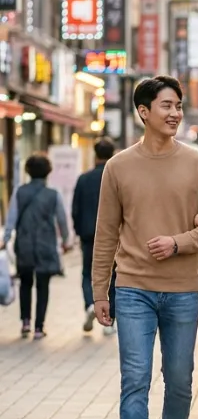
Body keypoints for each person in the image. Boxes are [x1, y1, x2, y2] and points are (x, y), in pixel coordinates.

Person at [91, 75, 198, 419]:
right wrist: (100, 291)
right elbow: (105, 233)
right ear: (143, 112)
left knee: (181, 379)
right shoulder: (118, 167)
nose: (175, 113)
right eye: (166, 105)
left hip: (184, 289)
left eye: (179, 105)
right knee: (135, 379)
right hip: (132, 288)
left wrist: (179, 242)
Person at [3, 154, 72, 339]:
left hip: (24, 245)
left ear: (28, 171)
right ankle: (39, 327)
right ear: (47, 172)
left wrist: (6, 238)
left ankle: (25, 322)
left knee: (25, 283)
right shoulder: (53, 194)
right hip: (46, 245)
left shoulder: (19, 191)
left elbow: (11, 218)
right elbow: (62, 220)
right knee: (43, 286)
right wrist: (66, 240)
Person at [73, 138, 118, 334]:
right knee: (114, 274)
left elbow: (75, 209)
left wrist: (78, 231)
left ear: (95, 154)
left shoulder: (84, 178)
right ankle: (111, 319)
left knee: (87, 273)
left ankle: (91, 305)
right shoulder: (117, 177)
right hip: (114, 235)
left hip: (88, 234)